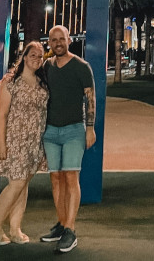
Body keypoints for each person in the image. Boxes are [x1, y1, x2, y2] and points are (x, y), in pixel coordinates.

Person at [38, 25, 95, 254]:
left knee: (71, 176)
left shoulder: (82, 66)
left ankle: (71, 230)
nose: (58, 43)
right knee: (55, 178)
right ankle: (61, 224)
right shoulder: (46, 67)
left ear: (69, 40)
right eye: (54, 40)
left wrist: (89, 128)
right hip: (50, 131)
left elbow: (91, 99)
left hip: (73, 130)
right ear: (49, 43)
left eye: (62, 39)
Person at [0, 41, 49, 245]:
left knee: (23, 185)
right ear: (24, 57)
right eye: (33, 55)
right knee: (16, 184)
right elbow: (1, 115)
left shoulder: (42, 83)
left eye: (40, 56)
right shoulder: (10, 82)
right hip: (15, 140)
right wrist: (1, 143)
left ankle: (15, 229)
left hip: (34, 142)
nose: (37, 59)